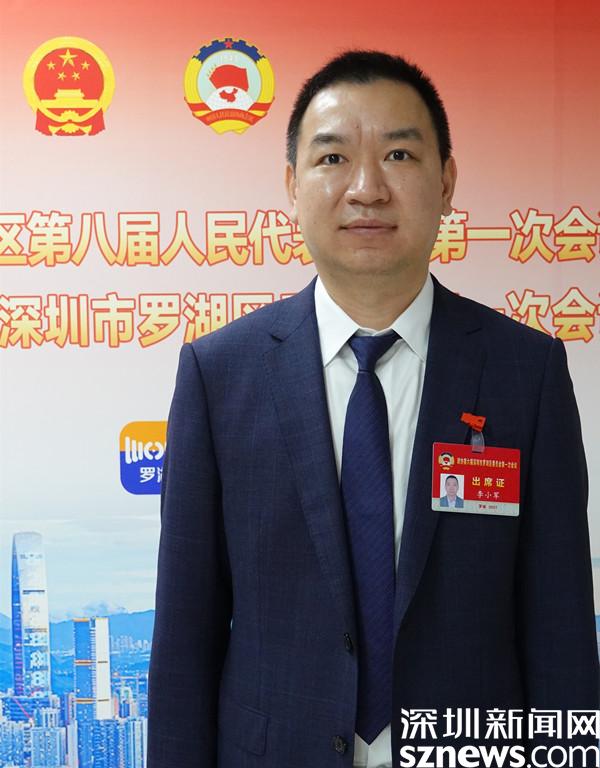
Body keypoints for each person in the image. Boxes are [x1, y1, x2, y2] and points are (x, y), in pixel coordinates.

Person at [148, 51, 599, 768]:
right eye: (332, 158)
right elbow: (184, 638)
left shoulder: (527, 371)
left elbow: (561, 630)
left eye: (398, 154)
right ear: (292, 186)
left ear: (446, 182)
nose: (366, 189)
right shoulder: (219, 375)